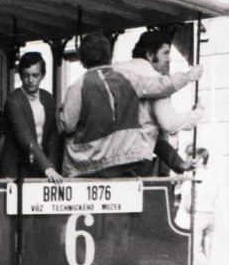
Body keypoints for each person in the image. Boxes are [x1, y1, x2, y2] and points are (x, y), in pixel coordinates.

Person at [59, 33, 202, 177]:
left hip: (85, 163)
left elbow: (67, 125)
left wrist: (59, 113)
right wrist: (188, 77)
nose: (168, 58)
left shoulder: (77, 87)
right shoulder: (127, 79)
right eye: (166, 53)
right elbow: (160, 87)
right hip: (121, 160)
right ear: (109, 55)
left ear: (83, 59)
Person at [120, 32, 203, 174]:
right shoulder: (156, 80)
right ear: (150, 54)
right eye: (165, 53)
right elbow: (169, 122)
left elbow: (147, 133)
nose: (169, 59)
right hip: (136, 163)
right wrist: (197, 113)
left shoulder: (116, 71)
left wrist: (178, 163)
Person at [0, 51, 63, 182]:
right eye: (26, 75)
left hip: (40, 168)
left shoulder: (48, 98)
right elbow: (25, 138)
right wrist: (47, 167)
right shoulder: (13, 101)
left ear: (43, 75)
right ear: (21, 76)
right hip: (15, 169)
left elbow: (52, 136)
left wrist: (52, 165)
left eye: (35, 75)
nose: (30, 80)